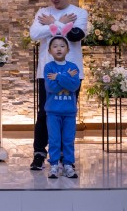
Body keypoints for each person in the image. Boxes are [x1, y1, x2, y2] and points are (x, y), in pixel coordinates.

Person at [29, 0, 87, 171]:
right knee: (44, 113)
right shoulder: (42, 12)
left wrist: (52, 23)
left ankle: (64, 155)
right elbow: (34, 34)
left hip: (71, 73)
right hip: (47, 72)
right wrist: (60, 23)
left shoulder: (79, 13)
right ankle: (39, 153)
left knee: (67, 113)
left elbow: (75, 35)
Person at [43, 25, 80, 179]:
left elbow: (74, 86)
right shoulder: (48, 67)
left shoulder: (73, 67)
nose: (59, 49)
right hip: (53, 111)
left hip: (69, 112)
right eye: (55, 46)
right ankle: (54, 165)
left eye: (62, 46)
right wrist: (66, 78)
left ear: (68, 50)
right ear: (49, 51)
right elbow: (50, 88)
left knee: (68, 140)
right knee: (54, 140)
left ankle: (68, 165)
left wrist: (58, 77)